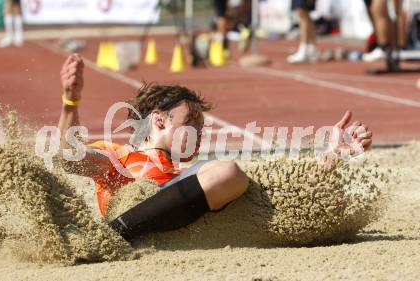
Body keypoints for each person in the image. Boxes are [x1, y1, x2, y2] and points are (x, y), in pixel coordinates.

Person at [58, 54, 373, 240]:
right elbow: (70, 160)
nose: (200, 130)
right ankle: (116, 235)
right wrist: (70, 102)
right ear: (159, 119)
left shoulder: (193, 179)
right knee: (225, 172)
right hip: (124, 229)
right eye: (191, 120)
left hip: (189, 221)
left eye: (202, 125)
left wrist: (334, 153)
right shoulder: (119, 157)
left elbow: (281, 198)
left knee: (234, 179)